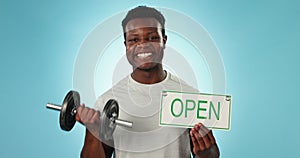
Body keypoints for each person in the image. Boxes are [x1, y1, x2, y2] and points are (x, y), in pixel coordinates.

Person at [76, 6, 220, 158]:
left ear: (164, 41)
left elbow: (210, 154)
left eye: (152, 37)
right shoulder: (107, 101)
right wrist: (92, 133)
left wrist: (207, 153)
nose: (143, 44)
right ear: (126, 45)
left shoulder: (190, 97)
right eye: (134, 39)